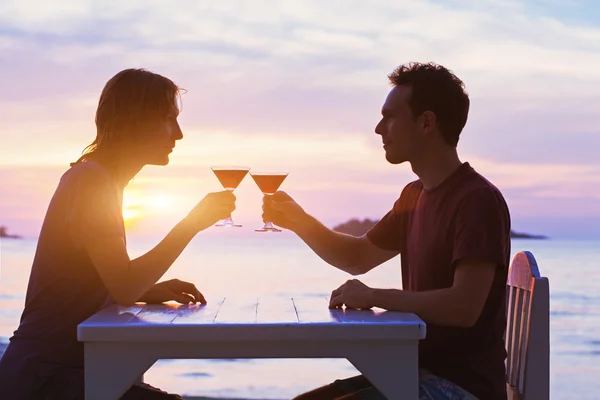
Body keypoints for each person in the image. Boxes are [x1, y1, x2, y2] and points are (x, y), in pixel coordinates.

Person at [262, 62, 511, 400]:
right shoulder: (415, 195)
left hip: (462, 388)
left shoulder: (477, 200)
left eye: (390, 117)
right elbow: (357, 257)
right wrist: (298, 221)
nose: (379, 129)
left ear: (426, 123)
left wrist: (375, 296)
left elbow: (463, 307)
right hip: (412, 371)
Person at [0, 68, 236, 399]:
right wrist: (191, 224)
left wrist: (148, 289)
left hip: (69, 369)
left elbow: (94, 282)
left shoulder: (102, 180)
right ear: (135, 121)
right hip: (44, 378)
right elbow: (125, 286)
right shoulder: (91, 181)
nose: (179, 134)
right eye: (168, 119)